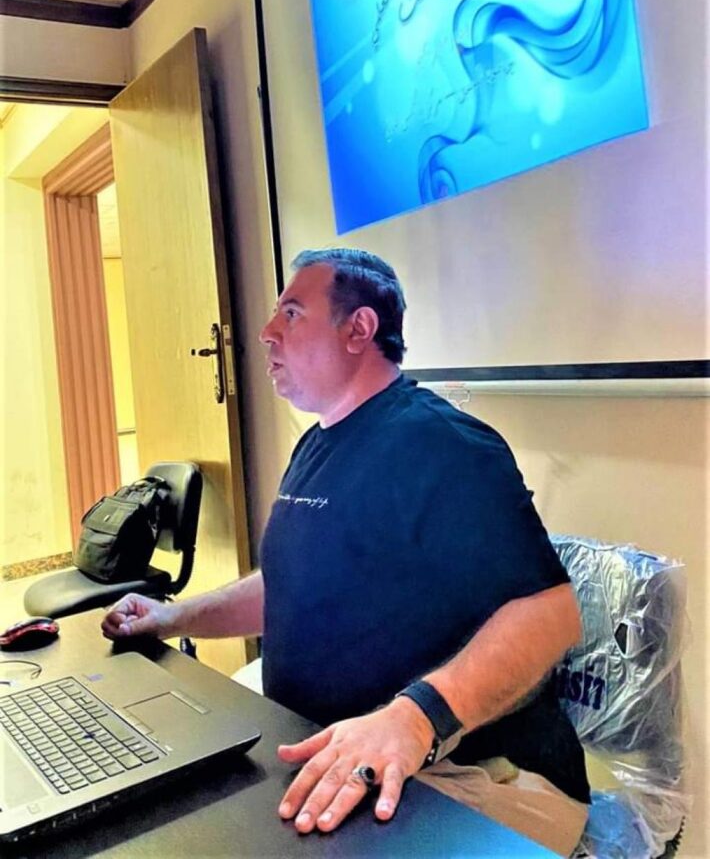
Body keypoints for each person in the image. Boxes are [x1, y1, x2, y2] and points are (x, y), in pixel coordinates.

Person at [102, 248, 590, 854]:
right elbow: (290, 581)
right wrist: (173, 616)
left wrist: (415, 718)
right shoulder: (316, 444)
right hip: (329, 743)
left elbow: (551, 616)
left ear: (358, 329)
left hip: (474, 770)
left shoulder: (442, 444)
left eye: (291, 313)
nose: (266, 332)